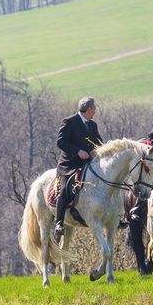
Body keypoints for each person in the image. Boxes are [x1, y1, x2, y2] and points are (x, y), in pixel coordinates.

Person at [53, 97, 103, 242]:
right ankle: (59, 223)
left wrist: (98, 150)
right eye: (94, 108)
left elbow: (98, 142)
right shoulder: (69, 122)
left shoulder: (93, 125)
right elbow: (60, 142)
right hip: (69, 165)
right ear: (89, 109)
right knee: (64, 190)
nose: (95, 111)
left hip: (88, 163)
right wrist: (78, 151)